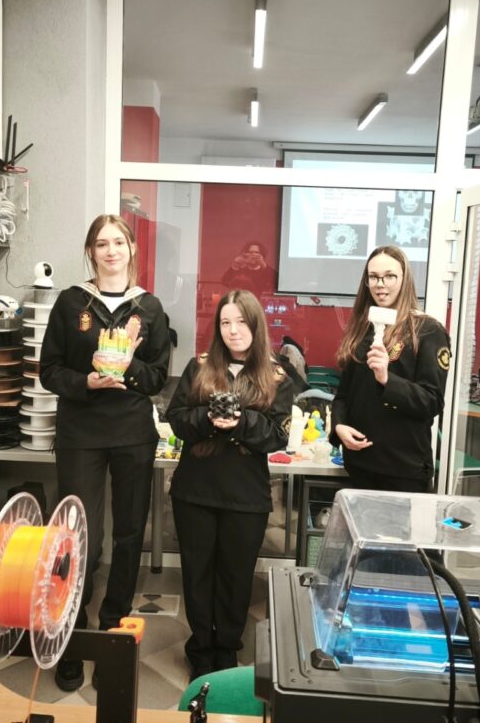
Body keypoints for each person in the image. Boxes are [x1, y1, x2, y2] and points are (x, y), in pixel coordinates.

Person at [39, 213, 171, 691]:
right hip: (81, 432)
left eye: (118, 242)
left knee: (130, 534)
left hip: (133, 432)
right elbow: (49, 370)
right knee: (81, 538)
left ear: (132, 248)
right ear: (90, 251)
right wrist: (87, 383)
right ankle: (73, 634)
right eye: (101, 243)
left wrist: (128, 367)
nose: (111, 251)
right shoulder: (71, 301)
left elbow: (158, 377)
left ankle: (114, 628)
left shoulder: (149, 307)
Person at [166, 289, 293, 680]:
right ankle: (201, 651)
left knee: (236, 579)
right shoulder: (199, 367)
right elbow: (177, 418)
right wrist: (208, 419)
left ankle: (226, 650)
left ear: (256, 325)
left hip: (246, 495)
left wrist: (240, 422)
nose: (233, 330)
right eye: (225, 322)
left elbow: (278, 435)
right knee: (197, 575)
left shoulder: (277, 376)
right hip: (195, 491)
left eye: (241, 322)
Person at [330, 245, 450, 492]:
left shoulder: (428, 331)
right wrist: (338, 426)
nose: (380, 284)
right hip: (360, 464)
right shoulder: (362, 330)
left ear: (404, 279)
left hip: (403, 468)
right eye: (373, 277)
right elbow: (344, 395)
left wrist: (387, 379)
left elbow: (432, 402)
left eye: (389, 276)